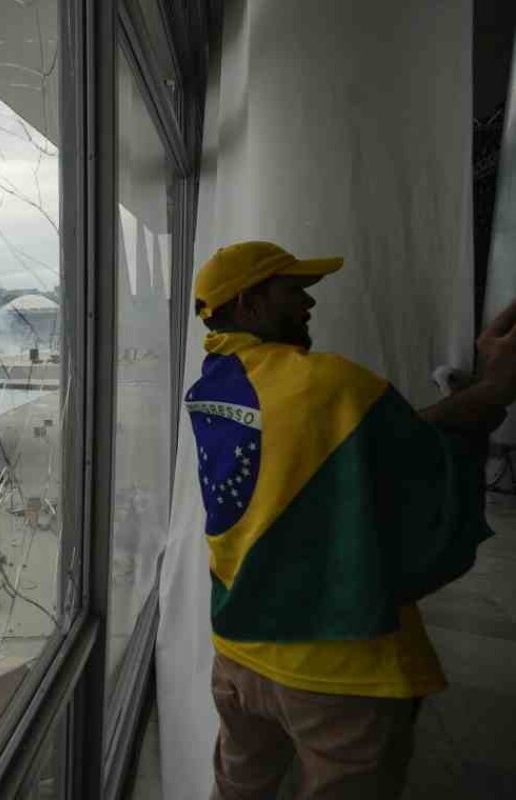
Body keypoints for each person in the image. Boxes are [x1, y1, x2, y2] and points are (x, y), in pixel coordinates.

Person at [187, 241, 516, 800]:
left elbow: (348, 443)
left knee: (239, 788)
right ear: (249, 305)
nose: (309, 304)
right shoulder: (332, 384)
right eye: (294, 292)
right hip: (332, 667)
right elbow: (419, 465)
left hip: (238, 653)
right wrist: (493, 389)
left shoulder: (213, 387)